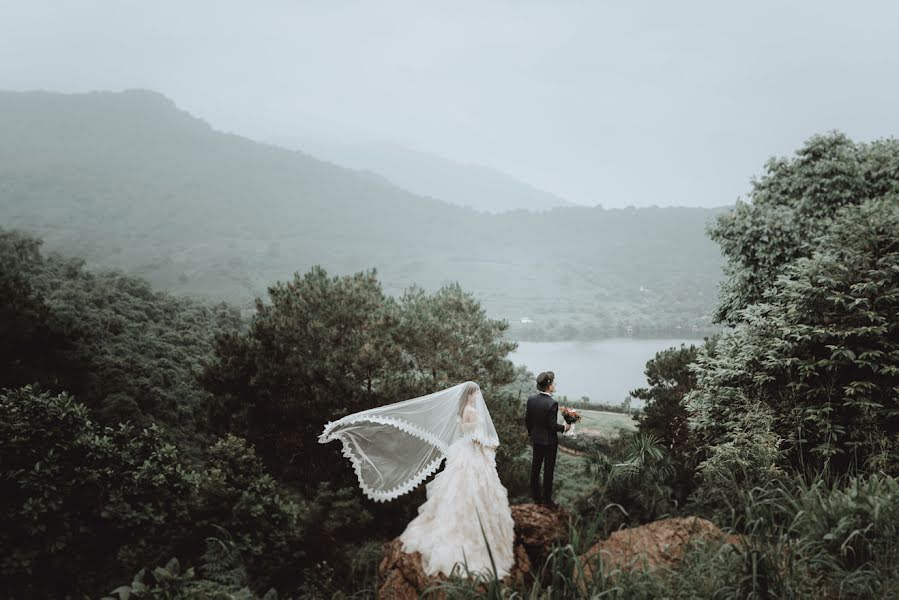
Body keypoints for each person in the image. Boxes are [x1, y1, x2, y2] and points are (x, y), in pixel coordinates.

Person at [319, 382, 515, 579]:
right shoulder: (471, 410)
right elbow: (471, 434)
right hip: (470, 453)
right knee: (468, 488)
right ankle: (468, 539)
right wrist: (487, 441)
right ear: (471, 394)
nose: (477, 396)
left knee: (460, 489)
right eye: (475, 393)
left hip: (464, 451)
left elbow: (465, 431)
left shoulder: (464, 409)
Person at [524, 371, 569, 507]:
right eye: (553, 383)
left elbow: (528, 420)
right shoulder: (552, 403)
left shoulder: (531, 399)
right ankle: (547, 501)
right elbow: (552, 426)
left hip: (536, 440)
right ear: (549, 386)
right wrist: (564, 428)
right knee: (548, 471)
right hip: (549, 442)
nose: (554, 385)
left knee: (535, 469)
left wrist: (532, 434)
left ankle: (536, 499)